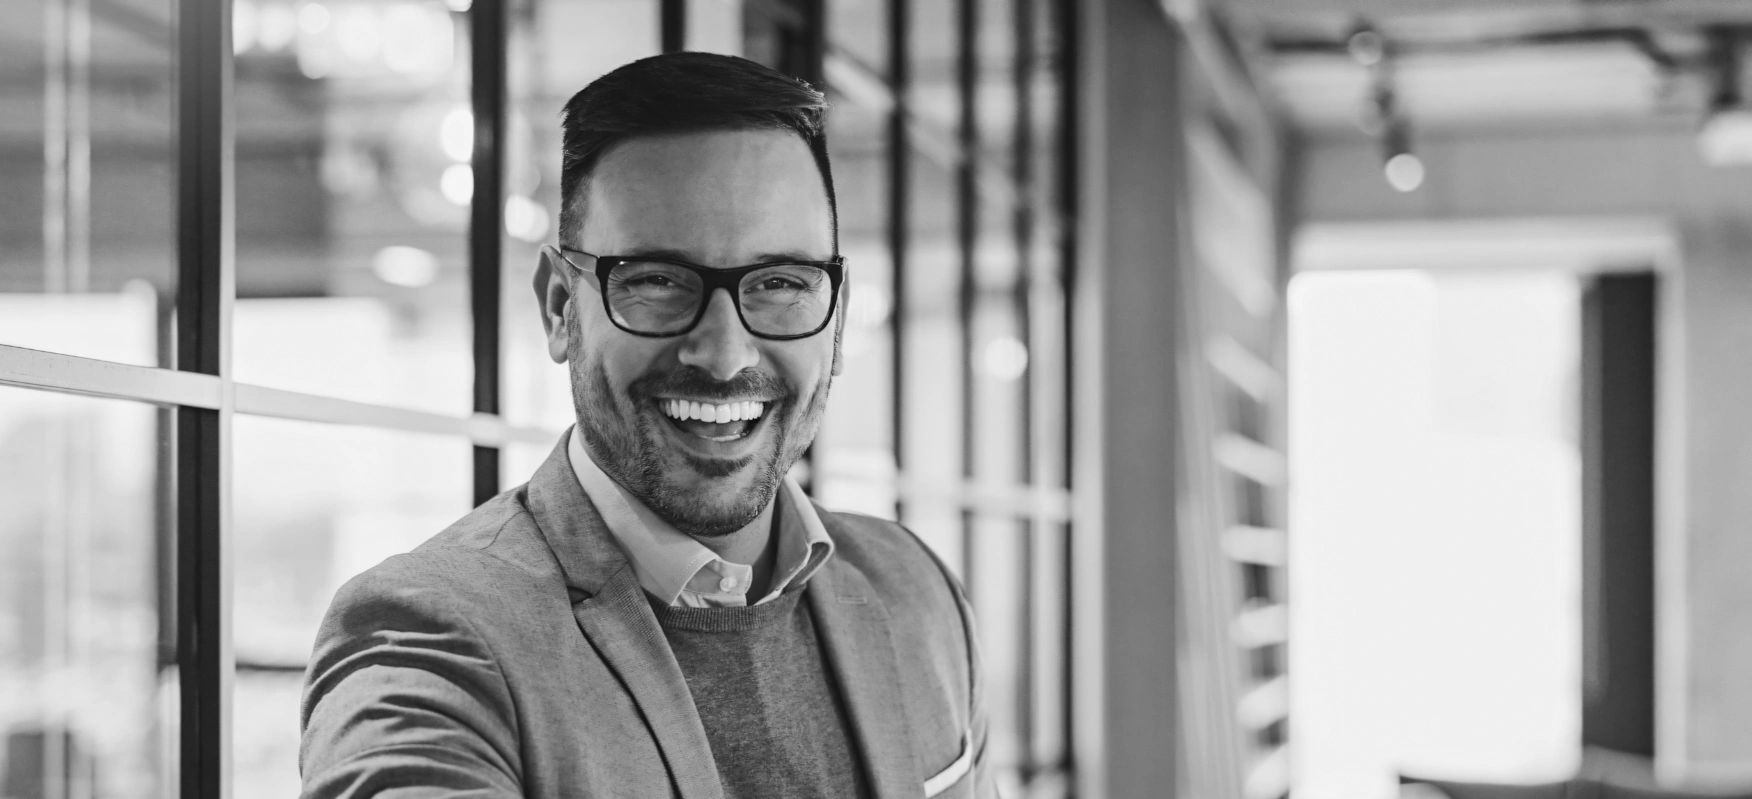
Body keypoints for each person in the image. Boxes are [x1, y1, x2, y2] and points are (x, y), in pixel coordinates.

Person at [299, 52, 996, 799]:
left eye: (781, 283)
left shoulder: (917, 591)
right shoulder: (429, 639)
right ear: (561, 307)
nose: (726, 356)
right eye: (658, 281)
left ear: (839, 314)